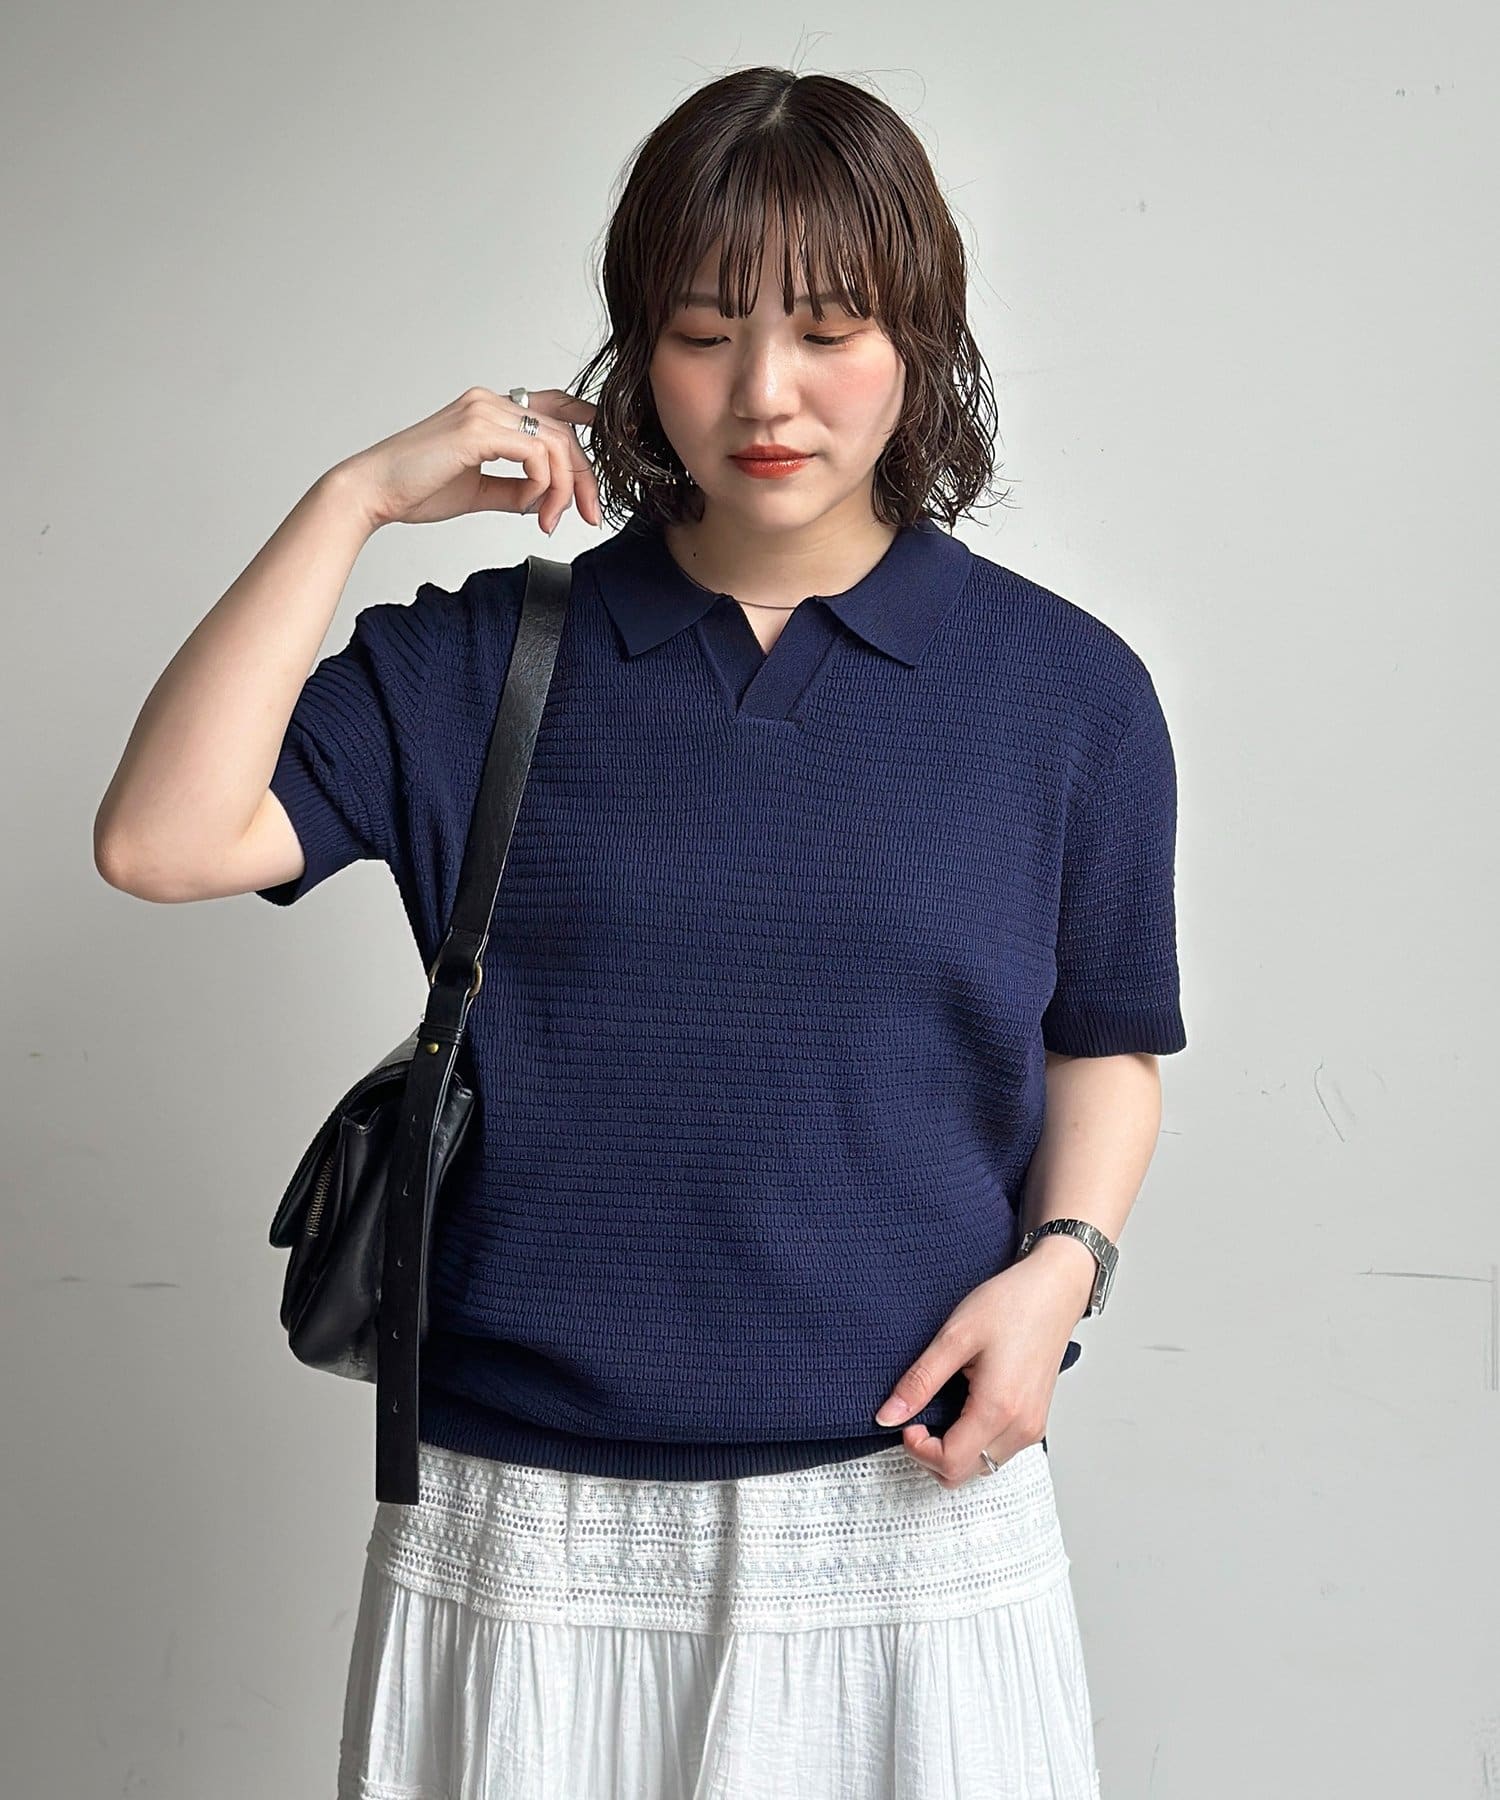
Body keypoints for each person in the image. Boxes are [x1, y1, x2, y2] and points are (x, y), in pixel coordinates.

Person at [95, 63, 1186, 1800]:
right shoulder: (485, 662)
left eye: (828, 329)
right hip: (525, 1529)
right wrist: (353, 497)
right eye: (703, 333)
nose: (765, 393)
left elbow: (1104, 1040)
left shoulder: (1067, 693)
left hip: (907, 1513)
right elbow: (158, 840)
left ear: (921, 340)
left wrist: (1064, 1269)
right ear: (632, 357)